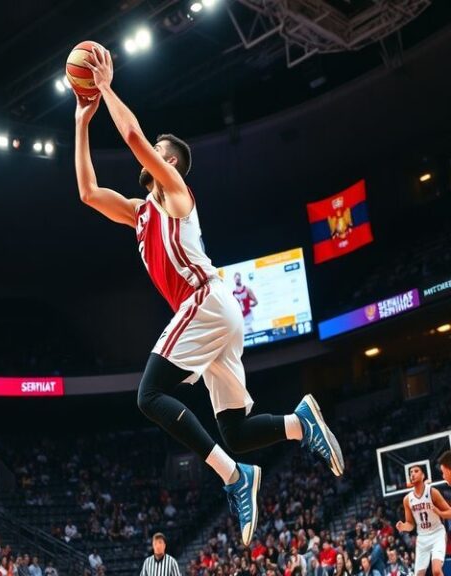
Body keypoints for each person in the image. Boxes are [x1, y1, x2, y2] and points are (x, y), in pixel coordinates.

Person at [74, 44, 344, 545]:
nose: (150, 151)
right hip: (217, 314)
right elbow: (88, 192)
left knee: (149, 395)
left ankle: (235, 476)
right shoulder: (138, 214)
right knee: (237, 432)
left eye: (160, 150)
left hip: (205, 301)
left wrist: (107, 87)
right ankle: (299, 423)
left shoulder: (177, 195)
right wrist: (81, 118)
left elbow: (132, 135)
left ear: (170, 162)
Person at [395, 465, 450, 576]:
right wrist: (404, 526)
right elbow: (410, 524)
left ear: (423, 475)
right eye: (411, 472)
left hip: (437, 533)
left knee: (436, 571)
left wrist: (438, 512)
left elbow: (449, 512)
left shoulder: (432, 492)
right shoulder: (407, 499)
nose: (413, 474)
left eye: (416, 471)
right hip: (422, 537)